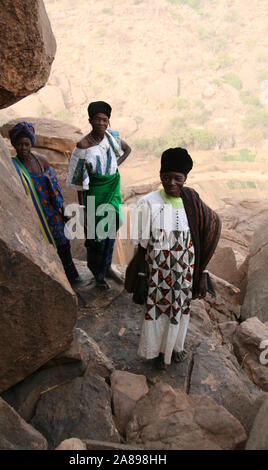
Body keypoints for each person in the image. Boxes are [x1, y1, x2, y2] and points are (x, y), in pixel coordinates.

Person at [133, 147, 221, 368]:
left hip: (185, 272)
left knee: (180, 310)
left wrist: (202, 273)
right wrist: (142, 275)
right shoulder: (148, 203)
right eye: (166, 177)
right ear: (160, 175)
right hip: (158, 274)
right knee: (159, 310)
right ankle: (156, 353)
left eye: (177, 178)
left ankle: (174, 348)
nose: (171, 182)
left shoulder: (191, 200)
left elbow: (204, 235)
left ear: (186, 178)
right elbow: (142, 246)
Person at [66, 101, 131, 289]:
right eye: (98, 119)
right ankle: (98, 274)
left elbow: (128, 149)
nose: (102, 123)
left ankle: (107, 267)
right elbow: (78, 182)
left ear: (108, 122)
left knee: (110, 231)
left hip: (111, 189)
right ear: (90, 120)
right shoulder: (83, 145)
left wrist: (114, 166)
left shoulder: (112, 138)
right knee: (95, 236)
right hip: (94, 193)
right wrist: (83, 208)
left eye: (105, 119)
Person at [9, 121, 81, 285]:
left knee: (63, 243)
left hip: (51, 211)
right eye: (19, 144)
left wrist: (62, 211)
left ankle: (72, 277)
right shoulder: (13, 165)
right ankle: (54, 280)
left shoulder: (42, 161)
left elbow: (55, 188)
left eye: (26, 143)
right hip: (34, 215)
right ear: (14, 144)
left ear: (31, 143)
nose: (23, 148)